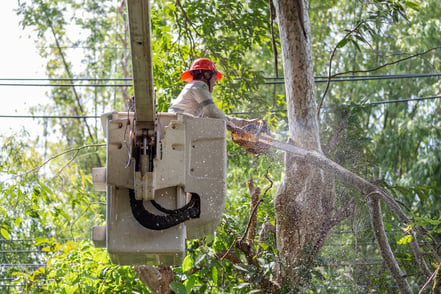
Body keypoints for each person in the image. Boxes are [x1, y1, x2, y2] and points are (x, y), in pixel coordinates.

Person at [168, 58, 257, 134]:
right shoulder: (199, 85)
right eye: (214, 78)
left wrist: (244, 123)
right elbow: (212, 111)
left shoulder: (195, 95)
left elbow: (219, 116)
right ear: (206, 75)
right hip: (178, 126)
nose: (215, 83)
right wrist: (234, 128)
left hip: (178, 127)